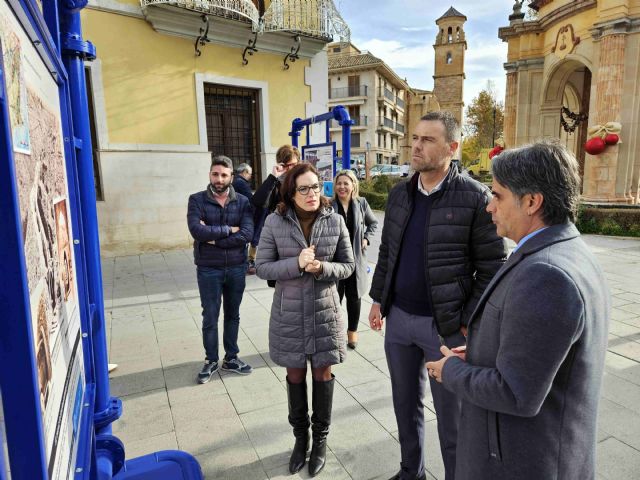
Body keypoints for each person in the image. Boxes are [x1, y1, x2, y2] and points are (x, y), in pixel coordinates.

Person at [426, 141, 610, 480]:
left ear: (531, 202)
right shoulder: (563, 249)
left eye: (497, 196)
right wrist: (483, 352)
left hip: (519, 462)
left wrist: (449, 370)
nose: (489, 208)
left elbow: (516, 393)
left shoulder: (548, 274)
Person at [368, 111, 507, 480]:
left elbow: (493, 266)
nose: (416, 145)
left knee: (453, 420)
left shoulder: (475, 198)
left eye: (427, 140)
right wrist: (379, 299)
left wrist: (466, 321)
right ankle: (411, 471)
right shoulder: (399, 194)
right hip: (399, 322)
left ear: (452, 147)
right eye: (415, 138)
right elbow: (387, 252)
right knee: (404, 405)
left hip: (445, 329)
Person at [255, 163, 355, 477]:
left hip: (325, 313)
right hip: (290, 314)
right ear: (291, 192)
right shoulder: (275, 222)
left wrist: (322, 269)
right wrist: (296, 264)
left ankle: (321, 441)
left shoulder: (335, 220)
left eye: (316, 187)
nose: (312, 194)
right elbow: (262, 267)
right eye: (304, 189)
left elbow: (348, 266)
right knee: (295, 376)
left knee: (322, 375)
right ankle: (301, 440)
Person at [187, 155, 254, 384]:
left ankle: (231, 358)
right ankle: (211, 360)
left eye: (224, 175)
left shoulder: (244, 201)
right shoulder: (196, 200)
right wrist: (229, 230)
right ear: (209, 175)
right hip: (209, 269)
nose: (219, 179)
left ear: (231, 177)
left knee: (232, 315)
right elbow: (197, 231)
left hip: (236, 267)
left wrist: (214, 238)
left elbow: (247, 234)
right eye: (215, 174)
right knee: (210, 316)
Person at [331, 169, 378, 349]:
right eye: (339, 183)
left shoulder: (361, 203)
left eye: (346, 183)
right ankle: (336, 332)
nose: (342, 187)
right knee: (335, 298)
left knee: (354, 297)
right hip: (336, 261)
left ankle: (352, 332)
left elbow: (373, 223)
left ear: (353, 185)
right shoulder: (329, 205)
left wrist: (366, 238)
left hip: (356, 260)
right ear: (335, 186)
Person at [252, 145, 300, 285]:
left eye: (294, 164)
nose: (291, 168)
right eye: (287, 165)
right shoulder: (276, 183)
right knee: (280, 279)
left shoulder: (303, 179)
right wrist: (273, 177)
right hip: (280, 238)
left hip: (300, 234)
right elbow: (258, 202)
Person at [232, 163, 257, 274]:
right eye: (250, 174)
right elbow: (251, 200)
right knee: (245, 239)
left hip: (235, 214)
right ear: (245, 172)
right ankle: (245, 265)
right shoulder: (241, 183)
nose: (250, 177)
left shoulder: (235, 181)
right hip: (242, 215)